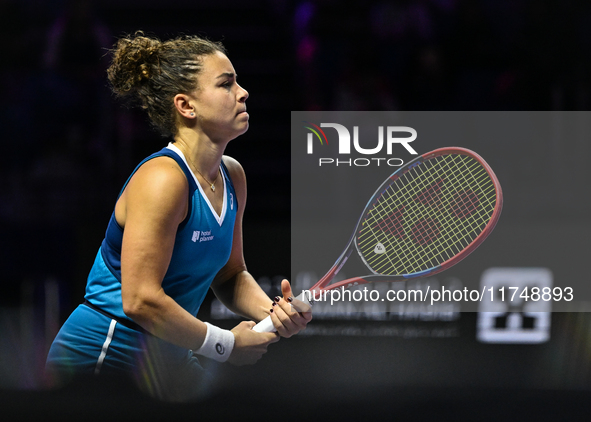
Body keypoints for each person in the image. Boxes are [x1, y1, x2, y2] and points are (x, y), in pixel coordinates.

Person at [46, 31, 311, 402]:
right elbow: (140, 299)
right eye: (226, 83)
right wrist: (225, 344)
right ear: (186, 106)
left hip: (168, 361)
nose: (243, 92)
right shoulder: (163, 179)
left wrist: (274, 311)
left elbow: (231, 274)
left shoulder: (233, 176)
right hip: (103, 359)